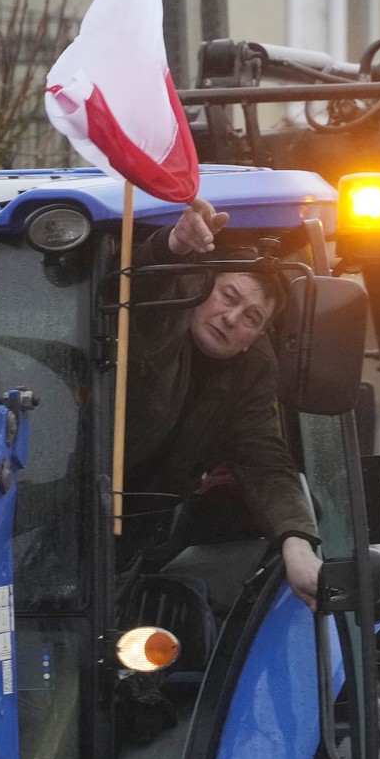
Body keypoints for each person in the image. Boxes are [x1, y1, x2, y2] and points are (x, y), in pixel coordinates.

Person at [121, 196, 323, 609]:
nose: (232, 318)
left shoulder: (250, 372)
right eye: (228, 296)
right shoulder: (161, 313)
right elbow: (139, 289)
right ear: (202, 288)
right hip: (60, 500)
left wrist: (297, 543)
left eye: (251, 317)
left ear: (255, 338)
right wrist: (174, 245)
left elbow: (264, 459)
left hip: (144, 539)